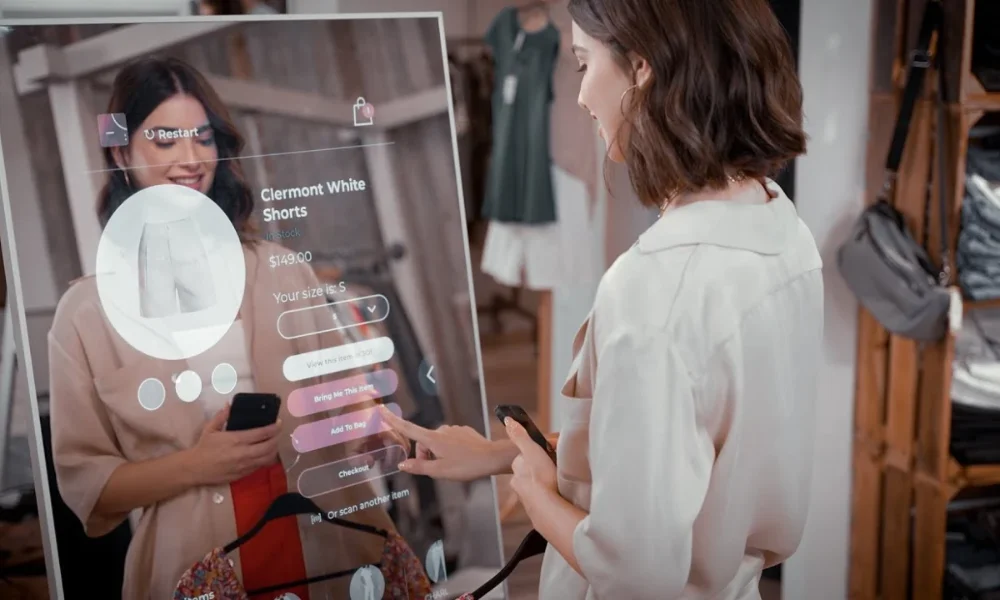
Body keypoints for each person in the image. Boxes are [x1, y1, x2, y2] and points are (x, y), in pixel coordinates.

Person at [381, 0, 823, 598]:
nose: (583, 96)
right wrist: (494, 454)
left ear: (642, 69)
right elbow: (672, 451)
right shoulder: (783, 231)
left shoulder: (654, 294)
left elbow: (633, 573)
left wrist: (533, 490)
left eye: (584, 64)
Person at [49, 56, 408, 599]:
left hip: (326, 542)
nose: (190, 159)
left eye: (203, 138)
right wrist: (194, 466)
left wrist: (372, 428)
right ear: (121, 154)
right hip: (192, 565)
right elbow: (87, 487)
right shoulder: (86, 312)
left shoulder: (282, 269)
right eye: (165, 140)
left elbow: (348, 398)